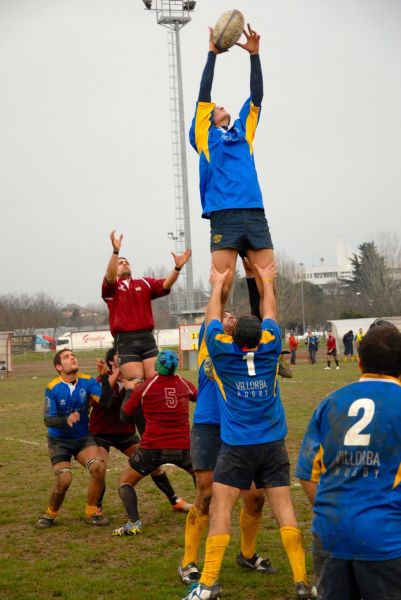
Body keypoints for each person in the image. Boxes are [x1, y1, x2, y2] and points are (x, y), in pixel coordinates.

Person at [182, 262, 316, 600]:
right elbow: (269, 311)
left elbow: (213, 318)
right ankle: (302, 582)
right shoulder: (271, 349)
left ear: (234, 336)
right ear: (262, 337)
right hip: (272, 443)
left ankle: (209, 583)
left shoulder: (222, 353)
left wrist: (216, 285)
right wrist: (266, 282)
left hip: (237, 445)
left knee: (221, 507)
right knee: (285, 509)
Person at [296, 325, 401, 600]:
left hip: (330, 533)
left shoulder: (330, 403)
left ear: (359, 360)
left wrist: (328, 512)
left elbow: (307, 473)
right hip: (386, 539)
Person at [179, 304, 276, 585]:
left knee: (256, 498)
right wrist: (220, 276)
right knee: (206, 495)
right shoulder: (211, 345)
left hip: (242, 429)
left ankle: (246, 554)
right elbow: (215, 305)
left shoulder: (248, 352)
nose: (229, 316)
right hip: (209, 425)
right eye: (223, 315)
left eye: (233, 315)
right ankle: (188, 562)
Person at [189, 25, 273, 306]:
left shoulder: (243, 131)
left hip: (254, 212)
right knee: (221, 286)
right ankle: (211, 345)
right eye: (215, 108)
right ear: (207, 119)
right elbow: (204, 93)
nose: (219, 105)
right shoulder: (205, 137)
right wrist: (212, 54)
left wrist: (255, 56)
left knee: (266, 283)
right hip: (224, 214)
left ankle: (265, 342)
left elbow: (257, 94)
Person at [90, 347, 191, 515]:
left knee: (154, 466)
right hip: (101, 433)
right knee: (99, 469)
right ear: (111, 362)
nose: (127, 360)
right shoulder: (101, 380)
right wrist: (112, 375)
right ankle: (97, 507)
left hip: (125, 434)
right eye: (120, 358)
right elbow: (104, 401)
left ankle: (175, 501)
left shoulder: (138, 382)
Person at [113, 349, 197, 536]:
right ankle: (204, 514)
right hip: (183, 447)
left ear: (157, 364)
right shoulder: (185, 384)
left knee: (125, 482)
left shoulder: (145, 387)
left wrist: (129, 390)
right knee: (200, 476)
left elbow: (124, 416)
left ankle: (134, 523)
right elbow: (199, 397)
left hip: (153, 448)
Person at [36, 349, 112, 528]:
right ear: (59, 367)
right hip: (59, 441)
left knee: (98, 467)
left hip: (82, 438)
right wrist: (66, 420)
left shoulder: (88, 381)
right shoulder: (53, 388)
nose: (72, 357)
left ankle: (92, 512)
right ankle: (50, 514)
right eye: (66, 357)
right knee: (65, 480)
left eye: (73, 355)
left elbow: (106, 402)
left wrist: (105, 377)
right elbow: (48, 420)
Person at [102, 230, 192, 381]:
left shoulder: (144, 283)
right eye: (120, 263)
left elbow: (165, 284)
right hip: (126, 340)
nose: (124, 264)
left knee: (154, 382)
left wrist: (177, 268)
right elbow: (109, 276)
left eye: (127, 262)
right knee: (135, 384)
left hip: (147, 339)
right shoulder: (112, 287)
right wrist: (116, 252)